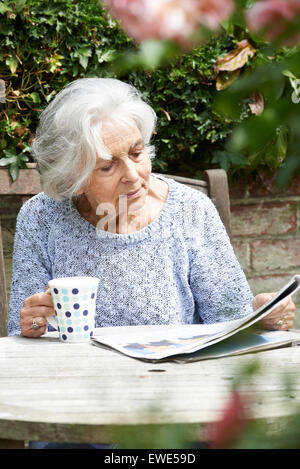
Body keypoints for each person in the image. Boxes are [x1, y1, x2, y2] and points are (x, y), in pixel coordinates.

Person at [7, 78, 295, 448]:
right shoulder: (40, 218)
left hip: (174, 413)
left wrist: (259, 315)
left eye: (137, 152)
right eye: (108, 166)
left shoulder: (190, 211)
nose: (132, 174)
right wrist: (32, 321)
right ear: (74, 180)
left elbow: (230, 323)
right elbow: (24, 335)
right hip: (75, 408)